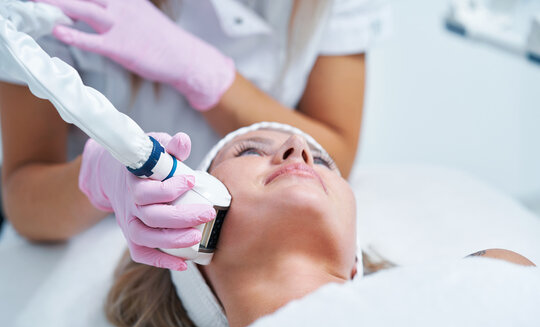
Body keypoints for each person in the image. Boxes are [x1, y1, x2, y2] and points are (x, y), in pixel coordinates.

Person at [0, 0, 385, 270]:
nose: (299, 147)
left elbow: (335, 152)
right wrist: (96, 179)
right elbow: (24, 199)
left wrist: (209, 76)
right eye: (249, 151)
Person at [97, 123, 536, 327]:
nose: (298, 149)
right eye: (249, 151)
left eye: (323, 161)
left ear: (354, 259)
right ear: (194, 237)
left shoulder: (491, 271)